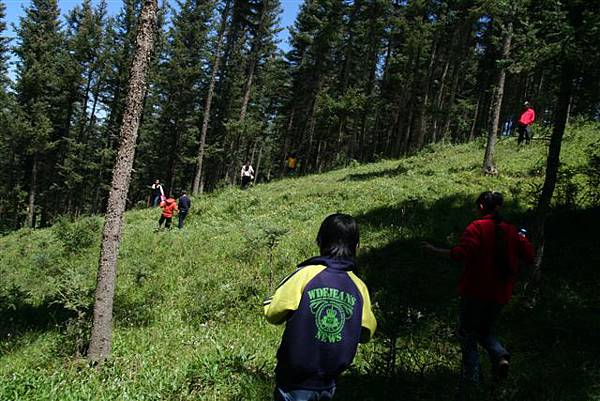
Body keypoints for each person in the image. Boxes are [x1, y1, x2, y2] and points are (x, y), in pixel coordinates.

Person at [421, 192, 534, 395]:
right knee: (485, 331)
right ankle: (500, 356)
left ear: (481, 207)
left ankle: (472, 381)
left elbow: (461, 253)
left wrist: (434, 250)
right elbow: (529, 255)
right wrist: (522, 238)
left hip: (475, 291)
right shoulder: (512, 231)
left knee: (467, 334)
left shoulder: (477, 227)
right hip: (501, 294)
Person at [264, 213, 377, 401]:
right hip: (330, 381)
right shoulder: (359, 286)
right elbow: (367, 332)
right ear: (356, 246)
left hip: (294, 380)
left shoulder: (304, 275)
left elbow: (272, 313)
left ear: (320, 240)